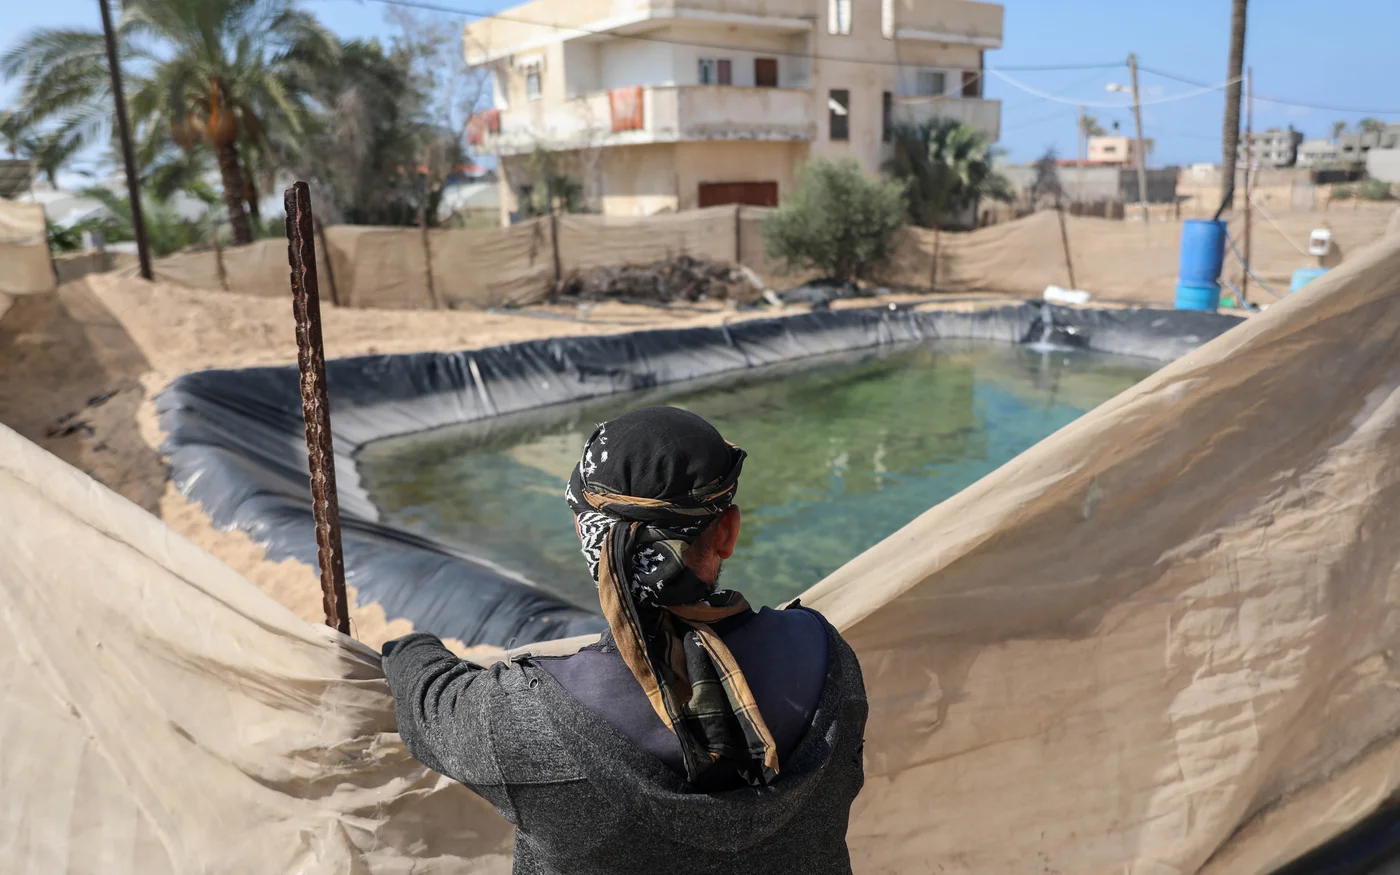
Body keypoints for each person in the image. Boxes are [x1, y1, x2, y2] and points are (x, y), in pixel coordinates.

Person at [382, 406, 868, 875]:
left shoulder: (524, 714)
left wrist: (408, 647)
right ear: (728, 533)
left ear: (586, 536)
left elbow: (428, 702)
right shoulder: (827, 656)